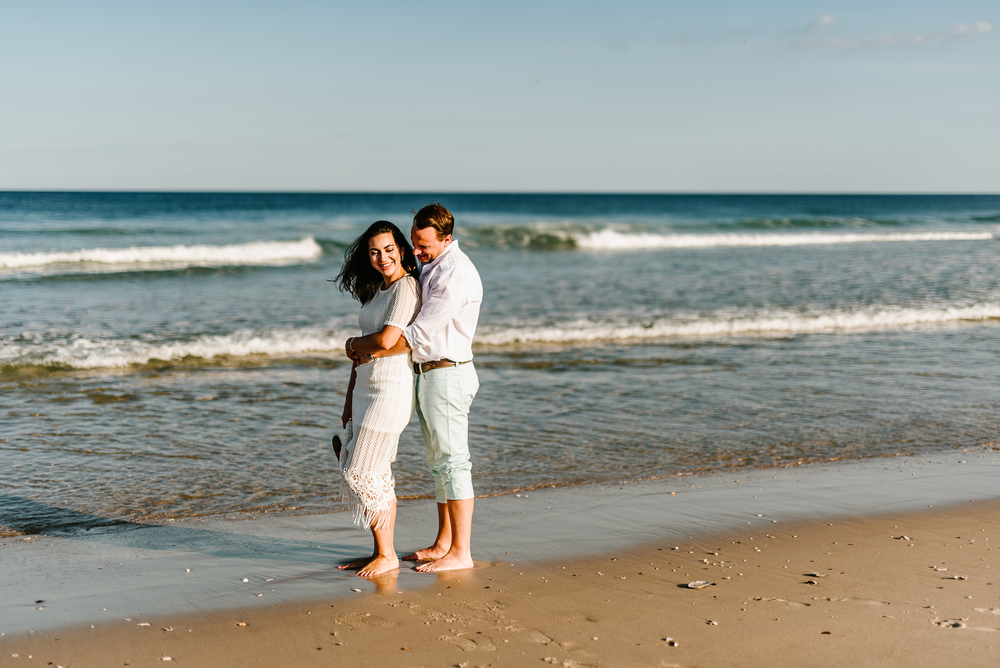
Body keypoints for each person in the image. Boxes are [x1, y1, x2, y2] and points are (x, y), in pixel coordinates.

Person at [349, 203, 483, 572]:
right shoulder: (432, 267)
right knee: (439, 464)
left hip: (447, 372)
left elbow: (418, 334)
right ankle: (444, 543)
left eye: (423, 245)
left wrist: (365, 347)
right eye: (414, 243)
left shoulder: (453, 273)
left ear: (447, 238)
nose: (416, 252)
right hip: (427, 373)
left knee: (454, 463)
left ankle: (461, 552)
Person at [332, 221, 421, 579]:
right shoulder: (376, 292)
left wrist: (351, 344)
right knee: (376, 473)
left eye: (388, 249)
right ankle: (381, 552)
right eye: (374, 252)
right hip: (366, 390)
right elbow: (365, 356)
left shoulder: (405, 288)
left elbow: (385, 342)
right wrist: (349, 398)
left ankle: (388, 555)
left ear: (401, 249)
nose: (382, 257)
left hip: (391, 391)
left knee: (360, 471)